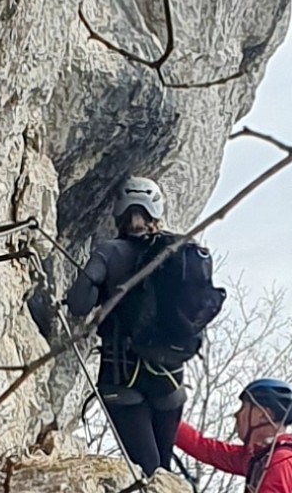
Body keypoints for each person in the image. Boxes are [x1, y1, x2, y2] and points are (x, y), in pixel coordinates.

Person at [66, 175, 222, 476]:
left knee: (146, 472)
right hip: (169, 375)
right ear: (157, 210)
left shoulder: (109, 253)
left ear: (118, 212)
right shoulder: (182, 249)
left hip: (122, 375)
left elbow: (78, 304)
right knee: (162, 469)